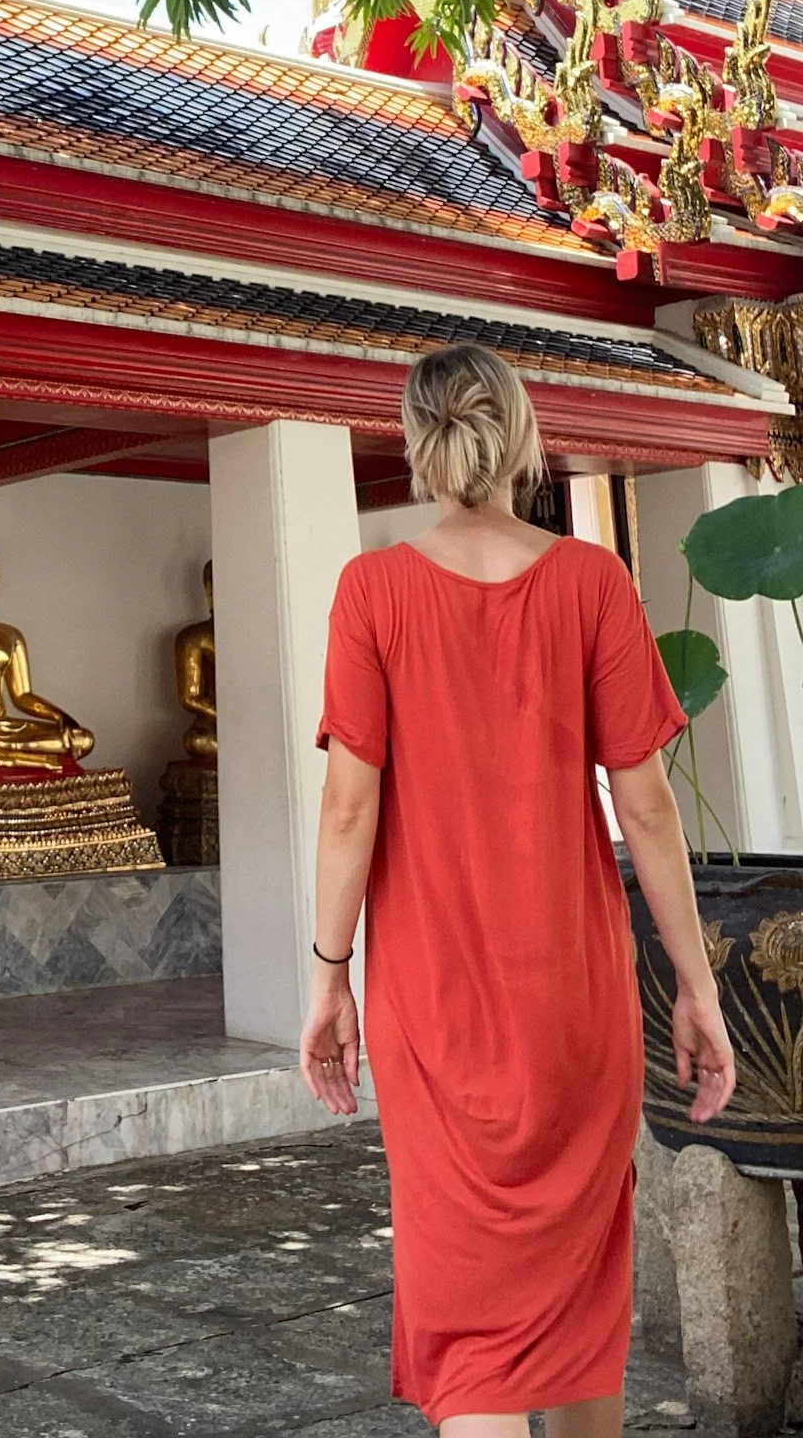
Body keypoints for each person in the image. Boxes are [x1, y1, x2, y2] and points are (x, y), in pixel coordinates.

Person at [300, 341, 735, 1438]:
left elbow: (349, 808)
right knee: (582, 1306)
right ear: (522, 435)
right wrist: (697, 988)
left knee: (476, 1341)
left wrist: (327, 977)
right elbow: (646, 808)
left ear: (418, 443)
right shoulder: (593, 580)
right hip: (574, 1002)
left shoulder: (374, 590)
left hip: (433, 1012)